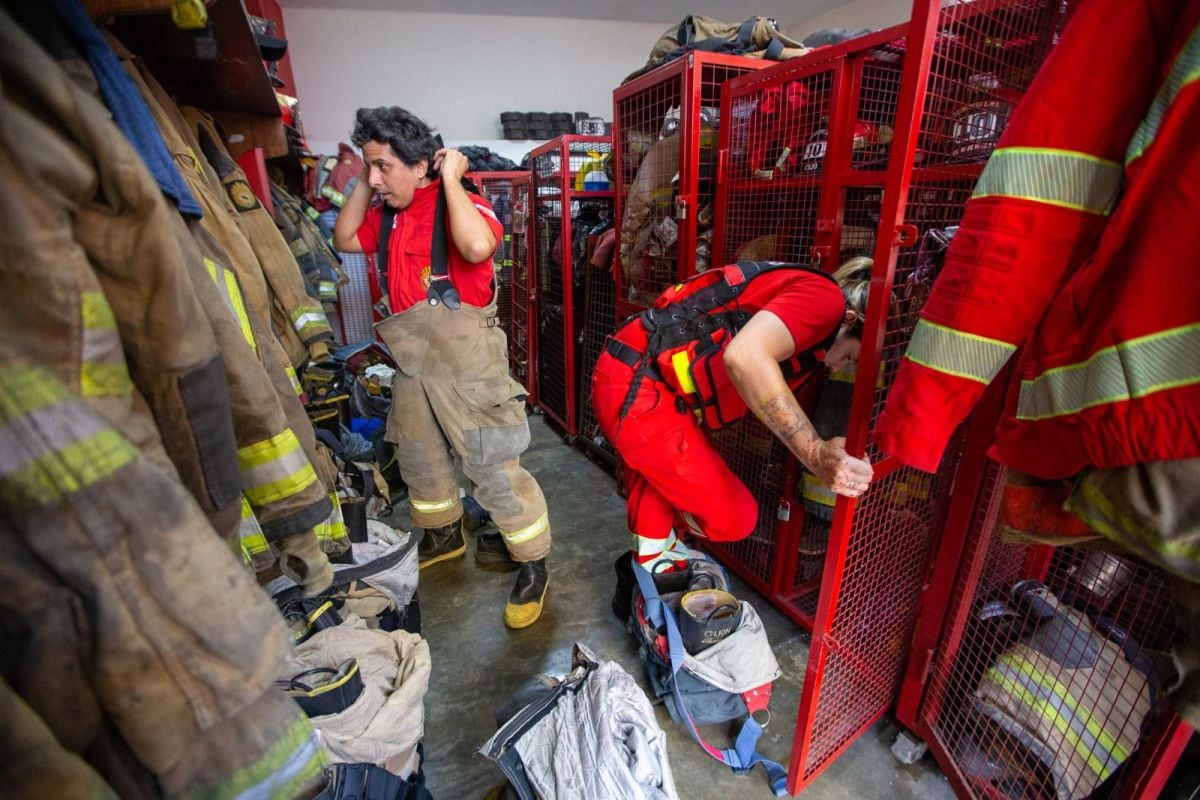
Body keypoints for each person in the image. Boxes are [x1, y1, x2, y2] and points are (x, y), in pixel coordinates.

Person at [333, 107, 551, 629]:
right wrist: (368, 184)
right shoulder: (387, 215)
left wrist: (450, 177)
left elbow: (477, 246)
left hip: (468, 365)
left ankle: (533, 564)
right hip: (413, 365)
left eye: (384, 166)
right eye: (370, 167)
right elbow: (343, 239)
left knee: (493, 467)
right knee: (421, 461)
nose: (375, 178)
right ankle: (444, 537)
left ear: (422, 164)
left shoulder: (464, 205)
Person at [593, 257, 876, 616]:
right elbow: (745, 357)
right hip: (641, 390)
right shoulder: (826, 300)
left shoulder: (806, 319)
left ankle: (646, 576)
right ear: (850, 321)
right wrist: (815, 453)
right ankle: (651, 574)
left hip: (645, 385)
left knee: (662, 502)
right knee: (735, 519)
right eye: (851, 355)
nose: (842, 366)